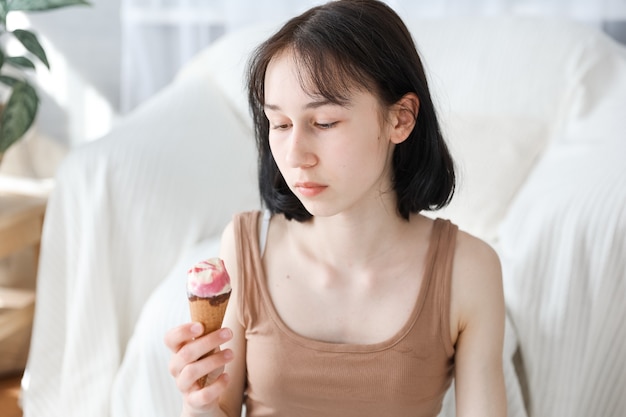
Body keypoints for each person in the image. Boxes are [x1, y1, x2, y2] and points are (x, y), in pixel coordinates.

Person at [165, 0, 506, 416]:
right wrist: (196, 401)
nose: (295, 155)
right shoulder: (244, 248)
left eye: (324, 123)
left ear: (400, 119)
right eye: (281, 125)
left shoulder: (469, 270)